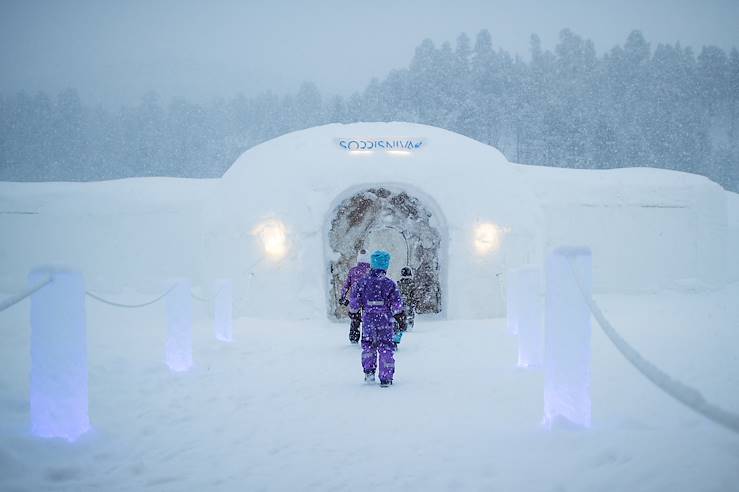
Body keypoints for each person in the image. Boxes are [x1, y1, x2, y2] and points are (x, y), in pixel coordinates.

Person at [348, 250, 407, 387]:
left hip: (368, 319)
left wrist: (355, 311)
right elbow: (397, 305)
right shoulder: (390, 284)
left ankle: (369, 372)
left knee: (368, 345)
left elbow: (354, 302)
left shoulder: (362, 283)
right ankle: (386, 377)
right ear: (385, 266)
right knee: (386, 346)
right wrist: (398, 314)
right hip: (385, 320)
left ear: (372, 265)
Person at [340, 249, 371, 343]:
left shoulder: (353, 271)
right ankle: (366, 338)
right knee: (367, 320)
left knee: (355, 319)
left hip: (355, 298)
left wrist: (343, 296)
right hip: (367, 299)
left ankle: (354, 338)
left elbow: (346, 285)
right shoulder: (370, 271)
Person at [394, 266, 417, 346]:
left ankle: (403, 326)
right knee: (410, 313)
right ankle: (409, 325)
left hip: (400, 303)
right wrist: (414, 301)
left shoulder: (398, 283)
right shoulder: (412, 283)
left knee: (401, 315)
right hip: (409, 302)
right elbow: (414, 295)